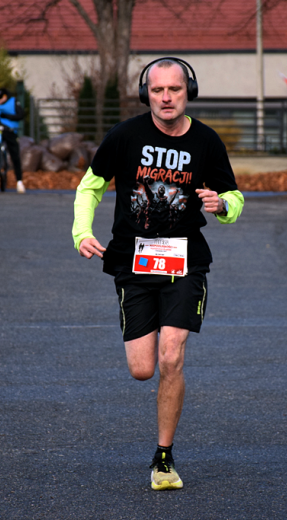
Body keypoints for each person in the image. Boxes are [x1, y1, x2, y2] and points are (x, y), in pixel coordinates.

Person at [72, 57, 244, 490]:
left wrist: (222, 205)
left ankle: (164, 458)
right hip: (134, 261)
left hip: (186, 262)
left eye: (175, 90)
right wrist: (81, 232)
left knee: (172, 354)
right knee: (143, 369)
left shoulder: (206, 141)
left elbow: (234, 196)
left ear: (189, 92)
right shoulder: (125, 136)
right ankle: (161, 447)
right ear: (146, 93)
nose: (166, 98)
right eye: (157, 90)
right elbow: (90, 186)